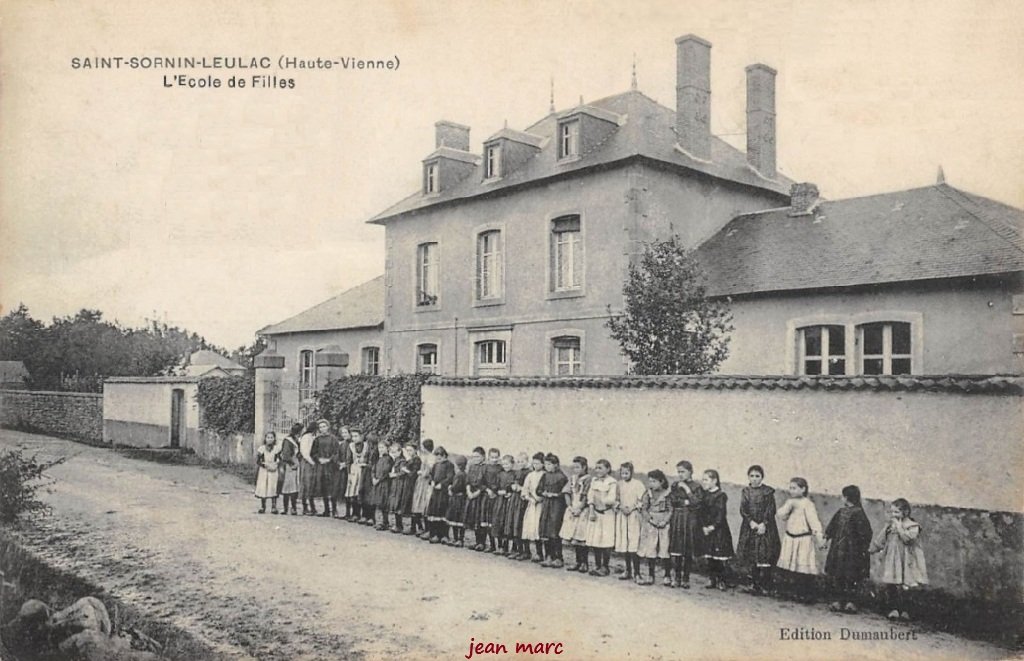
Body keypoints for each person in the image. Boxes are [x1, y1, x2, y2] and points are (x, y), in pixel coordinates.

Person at [870, 498, 928, 621]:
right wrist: (872, 549)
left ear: (905, 512)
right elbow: (881, 539)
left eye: (896, 512)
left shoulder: (913, 526)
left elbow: (907, 539)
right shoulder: (890, 525)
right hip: (892, 559)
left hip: (907, 561)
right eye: (892, 512)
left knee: (906, 586)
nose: (893, 515)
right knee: (891, 583)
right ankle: (893, 609)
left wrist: (899, 527)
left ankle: (906, 610)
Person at [823, 485, 873, 613]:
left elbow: (866, 533)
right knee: (838, 575)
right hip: (839, 550)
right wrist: (827, 537)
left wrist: (860, 548)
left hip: (852, 553)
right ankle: (838, 601)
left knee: (852, 577)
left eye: (843, 496)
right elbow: (832, 527)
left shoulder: (859, 513)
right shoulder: (840, 512)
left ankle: (851, 602)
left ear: (846, 497)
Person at [777, 477, 825, 603]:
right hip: (790, 537)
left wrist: (819, 537)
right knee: (788, 566)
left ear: (803, 489)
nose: (791, 491)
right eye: (790, 488)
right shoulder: (790, 502)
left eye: (794, 488)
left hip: (803, 539)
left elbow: (814, 522)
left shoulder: (808, 504)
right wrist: (789, 506)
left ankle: (805, 594)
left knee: (803, 567)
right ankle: (788, 591)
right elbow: (781, 515)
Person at [736, 465, 781, 596]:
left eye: (757, 476)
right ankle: (753, 584)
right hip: (750, 527)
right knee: (752, 554)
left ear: (762, 477)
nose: (754, 479)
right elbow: (743, 509)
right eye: (752, 476)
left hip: (765, 528)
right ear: (748, 477)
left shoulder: (768, 492)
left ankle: (766, 585)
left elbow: (771, 509)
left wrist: (764, 524)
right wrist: (750, 521)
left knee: (765, 554)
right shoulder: (745, 491)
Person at [667, 460, 703, 588]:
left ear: (690, 472)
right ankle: (676, 577)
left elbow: (697, 503)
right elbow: (673, 500)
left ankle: (686, 578)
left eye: (683, 472)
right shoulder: (675, 485)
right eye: (679, 472)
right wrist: (686, 502)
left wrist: (687, 490)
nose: (680, 475)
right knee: (677, 549)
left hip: (690, 520)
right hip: (678, 519)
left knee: (687, 549)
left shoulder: (696, 486)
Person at [699, 469, 734, 590]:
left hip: (719, 530)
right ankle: (711, 578)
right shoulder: (704, 495)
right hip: (707, 529)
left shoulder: (721, 496)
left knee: (719, 557)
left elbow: (721, 514)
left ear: (714, 481)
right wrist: (704, 526)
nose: (704, 482)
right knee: (710, 557)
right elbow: (701, 512)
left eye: (706, 480)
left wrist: (713, 527)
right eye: (703, 480)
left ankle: (722, 580)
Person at [637, 469, 672, 586]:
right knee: (650, 549)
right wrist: (650, 520)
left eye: (654, 481)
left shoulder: (667, 494)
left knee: (664, 549)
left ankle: (667, 575)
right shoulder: (648, 494)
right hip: (651, 524)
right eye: (650, 481)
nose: (651, 484)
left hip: (663, 524)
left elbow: (670, 510)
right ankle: (651, 575)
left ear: (661, 482)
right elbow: (644, 508)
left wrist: (664, 521)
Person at [585, 459, 618, 577]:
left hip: (607, 514)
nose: (598, 470)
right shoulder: (594, 481)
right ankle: (597, 565)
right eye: (596, 468)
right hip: (596, 514)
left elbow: (611, 499)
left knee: (606, 541)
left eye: (601, 468)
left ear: (608, 469)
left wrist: (602, 500)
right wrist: (592, 511)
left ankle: (605, 566)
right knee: (595, 540)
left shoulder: (612, 482)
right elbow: (590, 497)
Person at [559, 456, 592, 573]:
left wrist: (579, 508)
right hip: (573, 508)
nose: (576, 470)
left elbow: (587, 496)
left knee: (581, 537)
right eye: (574, 467)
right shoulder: (572, 479)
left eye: (578, 467)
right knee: (573, 537)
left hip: (583, 510)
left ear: (584, 467)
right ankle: (577, 562)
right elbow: (566, 492)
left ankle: (584, 563)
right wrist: (570, 507)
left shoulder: (588, 479)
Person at [615, 461, 646, 582]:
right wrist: (621, 507)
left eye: (627, 473)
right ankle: (627, 570)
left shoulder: (638, 484)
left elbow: (642, 500)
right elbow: (616, 499)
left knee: (634, 544)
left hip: (633, 516)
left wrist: (632, 508)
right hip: (623, 516)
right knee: (625, 543)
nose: (624, 475)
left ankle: (637, 573)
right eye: (622, 473)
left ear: (632, 472)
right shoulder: (619, 484)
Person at [538, 453, 569, 569]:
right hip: (546, 505)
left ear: (556, 465)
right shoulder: (545, 476)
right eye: (546, 464)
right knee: (545, 530)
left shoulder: (562, 477)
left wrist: (555, 495)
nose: (547, 466)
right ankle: (548, 556)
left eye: (550, 464)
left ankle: (558, 558)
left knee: (555, 531)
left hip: (557, 506)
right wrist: (543, 493)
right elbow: (538, 490)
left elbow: (565, 492)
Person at [310, 419, 341, 518]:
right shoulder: (317, 439)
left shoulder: (333, 439)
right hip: (321, 466)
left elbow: (337, 452)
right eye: (320, 427)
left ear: (328, 427)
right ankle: (326, 510)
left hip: (331, 466)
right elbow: (313, 453)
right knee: (323, 487)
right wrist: (319, 459)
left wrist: (330, 460)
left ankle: (334, 509)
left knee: (332, 487)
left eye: (324, 426)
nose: (323, 429)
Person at [519, 452, 546, 563]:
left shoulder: (544, 475)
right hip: (531, 504)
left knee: (537, 528)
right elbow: (525, 490)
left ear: (543, 464)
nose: (536, 465)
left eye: (538, 463)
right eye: (534, 463)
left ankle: (539, 554)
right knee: (528, 526)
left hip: (541, 505)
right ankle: (526, 551)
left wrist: (540, 499)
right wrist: (530, 499)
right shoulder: (530, 475)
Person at [425, 446, 455, 544]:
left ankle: (444, 536)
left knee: (442, 513)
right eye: (437, 455)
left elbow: (450, 477)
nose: (439, 458)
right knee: (434, 512)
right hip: (435, 493)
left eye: (441, 456)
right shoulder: (435, 465)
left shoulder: (449, 465)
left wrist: (442, 484)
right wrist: (432, 482)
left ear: (445, 456)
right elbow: (431, 475)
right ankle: (434, 534)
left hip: (443, 493)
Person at [506, 452, 531, 560]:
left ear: (527, 461)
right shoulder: (517, 472)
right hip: (515, 500)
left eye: (522, 461)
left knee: (520, 524)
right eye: (518, 461)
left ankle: (526, 551)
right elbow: (511, 483)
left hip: (523, 501)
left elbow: (529, 487)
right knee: (513, 523)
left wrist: (521, 488)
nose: (520, 463)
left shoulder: (529, 473)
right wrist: (512, 486)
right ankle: (517, 549)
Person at [490, 454, 516, 555]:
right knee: (499, 522)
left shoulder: (514, 474)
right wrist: (498, 491)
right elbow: (495, 485)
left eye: (508, 464)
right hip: (500, 501)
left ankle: (509, 548)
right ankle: (500, 546)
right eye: (504, 464)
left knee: (508, 523)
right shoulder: (500, 474)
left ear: (512, 464)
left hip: (509, 502)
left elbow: (514, 485)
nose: (506, 466)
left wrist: (509, 492)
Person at [394, 442, 422, 534]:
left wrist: (405, 470)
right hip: (406, 484)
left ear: (415, 451)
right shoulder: (408, 459)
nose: (409, 452)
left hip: (413, 484)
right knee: (406, 504)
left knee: (412, 505)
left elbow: (413, 474)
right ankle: (406, 526)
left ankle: (415, 527)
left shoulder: (416, 460)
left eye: (410, 450)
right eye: (407, 450)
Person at [463, 447, 487, 550]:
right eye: (474, 457)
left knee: (480, 519)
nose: (475, 458)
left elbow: (485, 483)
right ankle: (476, 541)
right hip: (471, 495)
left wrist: (477, 493)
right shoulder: (472, 467)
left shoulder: (486, 468)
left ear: (483, 457)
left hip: (480, 496)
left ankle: (482, 542)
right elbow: (468, 480)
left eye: (477, 456)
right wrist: (468, 491)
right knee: (473, 518)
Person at [410, 438, 436, 535]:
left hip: (424, 483)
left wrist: (420, 472)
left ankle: (426, 529)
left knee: (422, 505)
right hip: (421, 482)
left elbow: (427, 472)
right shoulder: (426, 457)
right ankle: (420, 527)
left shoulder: (430, 458)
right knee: (418, 505)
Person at [345, 428, 371, 522]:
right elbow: (348, 460)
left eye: (356, 436)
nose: (354, 438)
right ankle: (355, 513)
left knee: (362, 492)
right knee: (353, 492)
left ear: (361, 436)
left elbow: (369, 458)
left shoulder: (367, 446)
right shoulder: (351, 446)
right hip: (354, 471)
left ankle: (365, 515)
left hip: (363, 471)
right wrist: (349, 472)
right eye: (353, 436)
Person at [480, 448, 503, 552]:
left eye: (496, 457)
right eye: (492, 457)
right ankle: (492, 545)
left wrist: (495, 491)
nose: (494, 459)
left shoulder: (501, 469)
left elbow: (502, 482)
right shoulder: (485, 468)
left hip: (497, 498)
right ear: (488, 457)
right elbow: (481, 482)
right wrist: (487, 490)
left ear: (499, 457)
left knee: (496, 521)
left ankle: (501, 546)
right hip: (487, 497)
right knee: (488, 521)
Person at [277, 423, 303, 515]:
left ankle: (293, 508)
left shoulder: (296, 440)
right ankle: (285, 508)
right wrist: (293, 463)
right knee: (287, 487)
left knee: (294, 487)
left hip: (295, 464)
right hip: (289, 465)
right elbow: (286, 455)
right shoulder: (288, 441)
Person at [369, 439, 394, 530]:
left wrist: (379, 479)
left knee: (383, 503)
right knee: (377, 503)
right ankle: (378, 521)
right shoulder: (378, 459)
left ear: (387, 448)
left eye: (383, 447)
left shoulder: (389, 459)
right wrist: (373, 478)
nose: (381, 449)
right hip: (376, 483)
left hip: (384, 483)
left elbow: (386, 471)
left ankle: (385, 522)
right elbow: (373, 469)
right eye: (379, 447)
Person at [445, 455, 469, 547]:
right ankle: (459, 539)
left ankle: (458, 539)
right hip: (462, 499)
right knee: (459, 520)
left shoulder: (459, 475)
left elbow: (456, 487)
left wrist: (450, 488)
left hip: (457, 499)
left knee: (456, 519)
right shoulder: (465, 474)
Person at [254, 432, 281, 514]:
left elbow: (279, 459)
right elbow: (258, 461)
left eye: (272, 437)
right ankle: (263, 506)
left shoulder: (276, 449)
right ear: (265, 439)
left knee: (273, 487)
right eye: (268, 437)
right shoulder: (261, 449)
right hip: (264, 470)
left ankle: (274, 507)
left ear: (274, 439)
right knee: (263, 487)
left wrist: (275, 465)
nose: (270, 439)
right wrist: (265, 465)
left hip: (273, 470)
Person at [387, 442, 409, 532]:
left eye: (395, 452)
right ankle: (397, 524)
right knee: (395, 503)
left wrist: (395, 475)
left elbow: (403, 472)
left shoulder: (402, 461)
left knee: (398, 503)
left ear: (400, 451)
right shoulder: (396, 460)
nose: (393, 454)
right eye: (392, 452)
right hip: (395, 484)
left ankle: (399, 525)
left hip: (400, 484)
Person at [298, 421, 318, 515]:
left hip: (311, 462)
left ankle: (312, 507)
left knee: (311, 485)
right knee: (306, 484)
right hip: (307, 462)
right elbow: (305, 453)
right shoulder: (306, 437)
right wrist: (312, 463)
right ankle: (305, 507)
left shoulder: (312, 437)